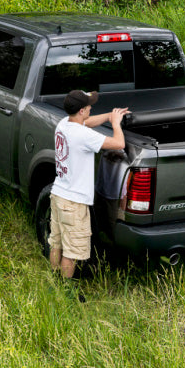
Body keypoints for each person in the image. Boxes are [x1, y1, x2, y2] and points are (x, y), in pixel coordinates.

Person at [49, 90, 129, 282]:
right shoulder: (84, 136)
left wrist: (109, 115)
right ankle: (66, 291)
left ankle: (54, 281)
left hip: (58, 194)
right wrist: (116, 123)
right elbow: (119, 143)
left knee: (57, 242)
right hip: (74, 203)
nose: (92, 107)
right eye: (89, 106)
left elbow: (87, 122)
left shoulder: (64, 124)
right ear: (82, 110)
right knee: (72, 251)